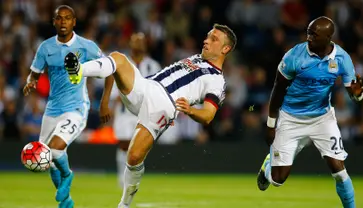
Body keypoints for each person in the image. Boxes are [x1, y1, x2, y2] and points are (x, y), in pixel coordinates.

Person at [64, 23, 236, 208]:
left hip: (164, 104)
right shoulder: (196, 58)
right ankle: (79, 71)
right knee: (118, 58)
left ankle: (124, 204)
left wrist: (190, 110)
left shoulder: (217, 81)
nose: (206, 40)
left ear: (225, 49)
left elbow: (208, 115)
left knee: (134, 156)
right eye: (208, 36)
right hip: (145, 86)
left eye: (213, 39)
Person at [256, 16, 363, 208]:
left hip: (322, 118)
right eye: (308, 32)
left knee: (339, 171)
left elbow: (356, 97)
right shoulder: (294, 56)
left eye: (314, 34)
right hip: (290, 118)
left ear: (328, 37)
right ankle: (268, 165)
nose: (309, 38)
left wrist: (359, 97)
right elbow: (278, 89)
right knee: (277, 180)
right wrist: (271, 124)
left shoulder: (342, 58)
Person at [23, 5, 106, 208]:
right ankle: (67, 202)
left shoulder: (86, 46)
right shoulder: (46, 47)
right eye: (59, 18)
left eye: (67, 18)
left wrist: (104, 102)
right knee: (48, 161)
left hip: (76, 108)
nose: (63, 22)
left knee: (56, 149)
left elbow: (109, 68)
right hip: (52, 109)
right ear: (54, 21)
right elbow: (35, 72)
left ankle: (68, 175)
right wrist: (30, 82)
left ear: (74, 22)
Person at [102, 32, 170, 186]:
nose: (138, 44)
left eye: (141, 42)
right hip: (125, 112)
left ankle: (133, 178)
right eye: (135, 41)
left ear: (145, 45)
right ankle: (122, 177)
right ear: (130, 44)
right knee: (124, 144)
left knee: (139, 148)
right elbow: (114, 89)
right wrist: (111, 106)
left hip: (145, 112)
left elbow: (160, 88)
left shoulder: (153, 65)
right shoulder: (122, 63)